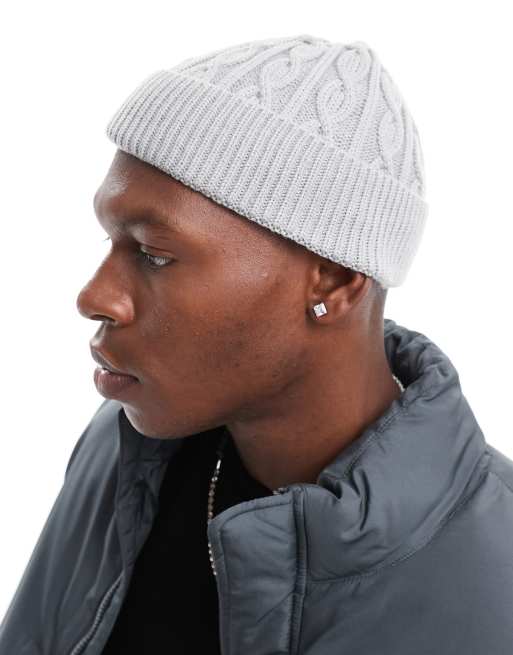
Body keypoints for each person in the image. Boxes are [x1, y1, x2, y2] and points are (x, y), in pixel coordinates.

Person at [1, 33, 512, 655]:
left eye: (154, 254)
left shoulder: (496, 572)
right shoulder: (123, 447)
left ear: (334, 280)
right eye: (110, 241)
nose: (95, 296)